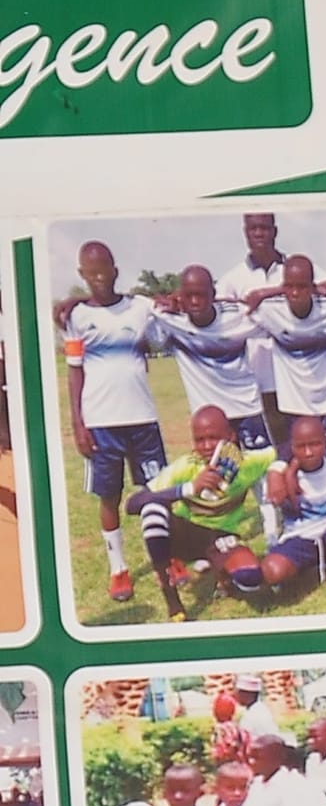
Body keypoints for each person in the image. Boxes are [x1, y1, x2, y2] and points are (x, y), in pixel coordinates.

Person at [60, 241, 165, 606]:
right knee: (110, 496)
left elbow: (170, 308)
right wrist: (78, 423)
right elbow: (74, 372)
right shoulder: (75, 317)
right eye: (91, 273)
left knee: (157, 492)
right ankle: (118, 568)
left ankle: (167, 557)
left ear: (115, 270)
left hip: (142, 418)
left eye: (104, 270)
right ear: (82, 274)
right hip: (101, 422)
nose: (99, 278)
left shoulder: (141, 307)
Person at [131, 406, 276, 617]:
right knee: (152, 509)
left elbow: (284, 449)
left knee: (250, 578)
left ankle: (222, 571)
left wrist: (280, 469)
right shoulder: (187, 465)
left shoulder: (245, 462)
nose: (206, 446)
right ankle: (170, 595)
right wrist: (190, 488)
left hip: (220, 536)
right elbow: (133, 504)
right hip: (186, 535)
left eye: (213, 438)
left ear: (230, 436)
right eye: (199, 440)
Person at [148, 266, 269, 451]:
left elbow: (277, 309)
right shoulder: (171, 321)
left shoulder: (238, 316)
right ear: (180, 295)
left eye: (201, 294)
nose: (195, 301)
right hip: (208, 418)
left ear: (213, 294)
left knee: (261, 467)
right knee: (221, 469)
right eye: (189, 295)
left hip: (247, 409)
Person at [249, 254, 326, 453]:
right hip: (291, 410)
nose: (295, 292)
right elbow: (246, 301)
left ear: (313, 286)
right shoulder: (272, 311)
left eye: (302, 286)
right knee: (294, 466)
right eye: (289, 286)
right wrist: (272, 291)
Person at [259, 414, 326, 601]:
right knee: (273, 571)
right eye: (301, 447)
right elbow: (272, 505)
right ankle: (302, 565)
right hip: (301, 538)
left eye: (315, 444)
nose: (308, 452)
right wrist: (284, 471)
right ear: (291, 448)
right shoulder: (281, 477)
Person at [218, 212, 288, 449]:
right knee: (264, 453)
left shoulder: (294, 269)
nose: (259, 234)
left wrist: (268, 292)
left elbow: (322, 287)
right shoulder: (232, 279)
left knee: (296, 448)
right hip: (255, 382)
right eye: (253, 228)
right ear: (245, 232)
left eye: (264, 228)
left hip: (294, 378)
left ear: (274, 231)